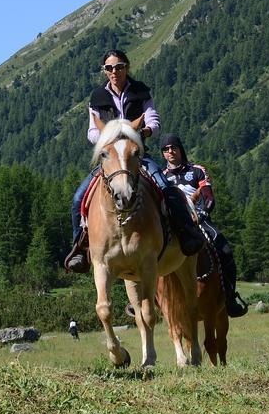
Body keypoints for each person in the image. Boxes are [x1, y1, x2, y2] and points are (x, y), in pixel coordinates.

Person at [64, 49, 204, 273]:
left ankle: (186, 234)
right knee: (78, 198)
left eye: (118, 66)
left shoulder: (141, 91)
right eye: (109, 68)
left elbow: (153, 121)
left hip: (136, 155)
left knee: (167, 188)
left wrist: (144, 131)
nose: (114, 72)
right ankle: (79, 249)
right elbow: (92, 131)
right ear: (105, 71)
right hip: (110, 158)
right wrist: (109, 135)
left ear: (127, 67)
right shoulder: (97, 96)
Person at [160, 133, 248, 317]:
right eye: (166, 149)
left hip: (197, 219)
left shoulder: (197, 170)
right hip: (170, 223)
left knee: (224, 249)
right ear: (163, 154)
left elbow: (208, 197)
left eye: (173, 148)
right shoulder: (161, 176)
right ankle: (147, 301)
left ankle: (230, 297)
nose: (170, 152)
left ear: (180, 149)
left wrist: (202, 214)